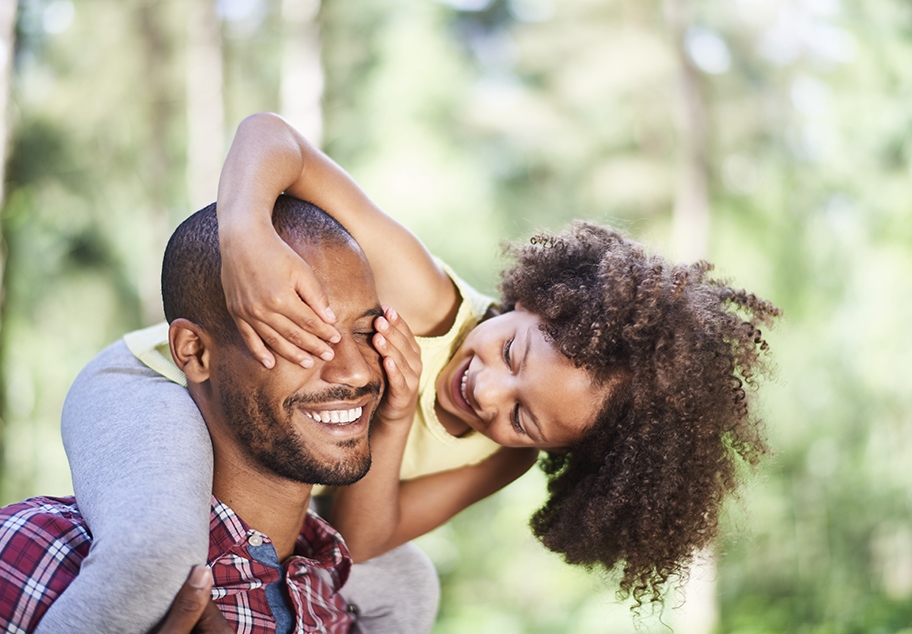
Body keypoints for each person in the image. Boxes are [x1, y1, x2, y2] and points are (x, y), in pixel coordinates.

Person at [46, 113, 780, 629]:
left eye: (524, 419)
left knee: (406, 589)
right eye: (513, 353)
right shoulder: (429, 301)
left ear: (554, 451)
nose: (486, 393)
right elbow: (274, 139)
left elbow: (359, 541)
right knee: (153, 551)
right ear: (527, 300)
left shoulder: (505, 462)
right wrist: (243, 228)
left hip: (268, 468)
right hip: (163, 385)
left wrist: (395, 418)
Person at [1, 198, 438, 633]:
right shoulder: (27, 554)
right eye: (301, 334)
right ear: (195, 352)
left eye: (366, 332)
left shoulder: (347, 613)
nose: (357, 370)